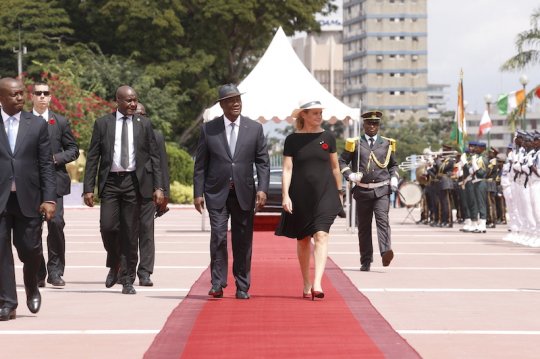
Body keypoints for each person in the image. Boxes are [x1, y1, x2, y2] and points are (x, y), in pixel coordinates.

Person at [83, 86, 164, 295]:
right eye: (128, 100)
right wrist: (88, 188)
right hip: (110, 182)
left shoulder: (144, 124)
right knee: (108, 227)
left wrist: (158, 187)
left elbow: (154, 157)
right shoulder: (103, 124)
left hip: (134, 183)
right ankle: (115, 261)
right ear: (117, 101)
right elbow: (93, 157)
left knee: (130, 231)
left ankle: (127, 279)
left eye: (135, 100)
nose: (133, 104)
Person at [193, 84, 270, 300]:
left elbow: (263, 162)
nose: (236, 103)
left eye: (238, 99)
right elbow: (200, 165)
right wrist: (198, 193)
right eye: (230, 100)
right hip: (216, 193)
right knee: (218, 236)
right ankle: (217, 283)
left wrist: (263, 189)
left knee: (242, 240)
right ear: (222, 105)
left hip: (244, 193)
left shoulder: (254, 129)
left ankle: (242, 285)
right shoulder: (209, 129)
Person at [0, 77, 57, 321]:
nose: (21, 98)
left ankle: (32, 285)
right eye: (14, 95)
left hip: (30, 198)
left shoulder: (36, 125)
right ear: (1, 98)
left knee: (30, 249)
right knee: (1, 252)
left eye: (22, 93)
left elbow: (46, 164)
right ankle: (8, 302)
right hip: (1, 199)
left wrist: (50, 199)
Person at [274, 100, 342, 300]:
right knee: (303, 240)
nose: (319, 117)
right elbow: (287, 169)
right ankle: (306, 283)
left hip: (325, 193)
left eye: (320, 113)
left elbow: (335, 167)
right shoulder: (292, 140)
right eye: (315, 113)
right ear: (303, 115)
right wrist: (285, 195)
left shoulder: (328, 137)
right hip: (300, 195)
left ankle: (318, 283)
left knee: (321, 235)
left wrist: (339, 191)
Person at [32, 82, 79, 288]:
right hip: (30, 184)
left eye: (46, 93)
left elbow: (73, 149)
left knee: (56, 223)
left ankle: (55, 271)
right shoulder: (23, 121)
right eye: (38, 93)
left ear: (50, 97)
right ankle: (39, 272)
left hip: (54, 181)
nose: (42, 96)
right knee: (32, 229)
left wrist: (55, 158)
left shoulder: (59, 122)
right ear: (31, 96)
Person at [338, 110, 398, 272]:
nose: (372, 126)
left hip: (381, 190)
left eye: (375, 123)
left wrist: (394, 177)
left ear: (379, 125)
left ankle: (386, 252)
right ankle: (366, 260)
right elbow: (342, 161)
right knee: (364, 227)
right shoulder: (355, 143)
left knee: (382, 221)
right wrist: (350, 175)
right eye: (369, 123)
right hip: (363, 191)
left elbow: (393, 164)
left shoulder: (386, 143)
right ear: (364, 124)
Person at [134, 103, 170, 286]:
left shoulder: (156, 136)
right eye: (135, 114)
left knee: (146, 231)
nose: (139, 117)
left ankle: (145, 272)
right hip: (126, 191)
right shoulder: (122, 134)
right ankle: (124, 268)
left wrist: (164, 192)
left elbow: (162, 164)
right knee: (124, 231)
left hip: (148, 191)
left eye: (142, 114)